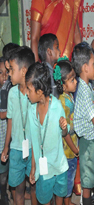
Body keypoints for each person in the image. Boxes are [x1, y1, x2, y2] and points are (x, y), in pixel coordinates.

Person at [26, 62, 68, 205]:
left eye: (29, 89)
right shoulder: (32, 110)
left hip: (59, 165)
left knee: (59, 197)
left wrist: (64, 127)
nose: (26, 93)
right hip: (43, 169)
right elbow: (34, 141)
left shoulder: (56, 106)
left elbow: (64, 133)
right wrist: (33, 167)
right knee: (44, 200)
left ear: (39, 92)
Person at [1, 47, 36, 205]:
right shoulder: (12, 93)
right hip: (15, 149)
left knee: (35, 186)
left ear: (23, 71)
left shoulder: (35, 92)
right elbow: (10, 121)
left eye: (11, 70)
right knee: (18, 188)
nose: (8, 74)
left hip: (33, 148)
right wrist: (6, 147)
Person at [72, 43, 94, 205]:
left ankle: (91, 195)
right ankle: (86, 199)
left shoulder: (86, 85)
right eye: (93, 64)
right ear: (85, 67)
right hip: (88, 141)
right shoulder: (83, 91)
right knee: (88, 175)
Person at [54, 59, 79, 205]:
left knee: (70, 175)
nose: (75, 82)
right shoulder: (63, 102)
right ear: (63, 85)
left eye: (75, 78)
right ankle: (66, 201)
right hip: (67, 150)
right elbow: (65, 132)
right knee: (68, 177)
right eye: (71, 80)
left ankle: (67, 200)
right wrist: (75, 149)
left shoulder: (68, 96)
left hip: (71, 146)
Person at [38, 33, 61, 98]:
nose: (60, 51)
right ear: (49, 52)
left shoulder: (48, 71)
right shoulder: (47, 74)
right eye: (57, 47)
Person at [0, 57, 9, 205]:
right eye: (1, 73)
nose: (5, 76)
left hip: (4, 142)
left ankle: (4, 194)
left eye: (6, 72)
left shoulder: (7, 89)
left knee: (4, 174)